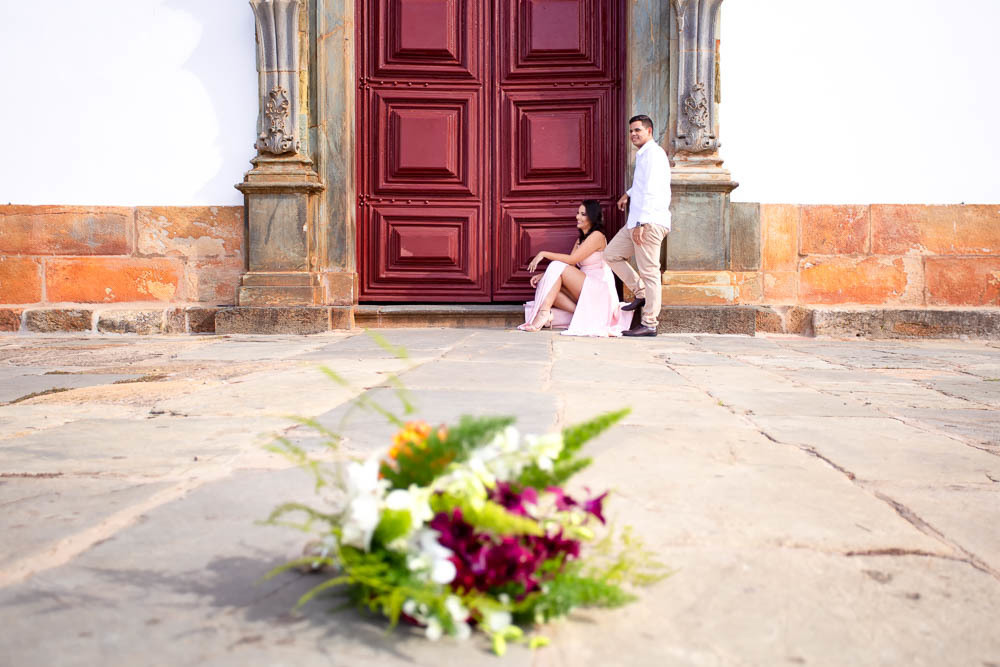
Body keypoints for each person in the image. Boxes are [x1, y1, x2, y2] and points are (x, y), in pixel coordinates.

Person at [518, 200, 633, 337]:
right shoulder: (580, 240)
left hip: (600, 289)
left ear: (592, 217)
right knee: (547, 285)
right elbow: (570, 265)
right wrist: (545, 275)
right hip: (586, 286)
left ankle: (544, 313)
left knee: (555, 266)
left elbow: (572, 260)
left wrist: (544, 253)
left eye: (583, 214)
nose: (578, 217)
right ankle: (585, 314)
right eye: (578, 213)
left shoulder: (597, 236)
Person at [607, 114, 672, 337]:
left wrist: (642, 223)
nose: (633, 134)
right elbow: (644, 185)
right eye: (631, 131)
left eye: (638, 130)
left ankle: (650, 323)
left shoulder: (653, 154)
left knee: (650, 272)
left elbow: (653, 190)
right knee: (611, 254)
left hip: (648, 222)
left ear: (649, 131)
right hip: (636, 221)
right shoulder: (644, 155)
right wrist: (628, 194)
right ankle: (640, 292)